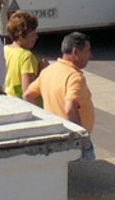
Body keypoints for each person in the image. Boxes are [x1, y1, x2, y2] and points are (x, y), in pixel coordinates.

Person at [25, 31, 96, 161]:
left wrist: (43, 119)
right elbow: (69, 108)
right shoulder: (75, 78)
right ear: (76, 52)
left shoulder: (48, 71)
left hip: (54, 135)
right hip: (71, 141)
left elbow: (28, 95)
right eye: (87, 50)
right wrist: (79, 137)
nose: (90, 55)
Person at [4, 10, 46, 99]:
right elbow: (28, 91)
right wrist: (43, 71)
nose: (36, 37)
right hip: (22, 105)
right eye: (33, 34)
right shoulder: (27, 57)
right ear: (21, 35)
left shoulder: (5, 49)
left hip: (8, 98)